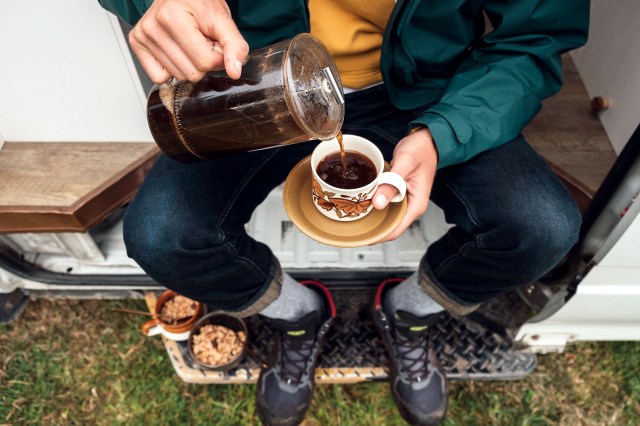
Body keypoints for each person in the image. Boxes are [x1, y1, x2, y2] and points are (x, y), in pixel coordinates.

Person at [98, 0, 589, 424]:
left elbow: (535, 32)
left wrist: (446, 132)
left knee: (542, 227)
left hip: (423, 88)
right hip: (260, 78)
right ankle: (299, 315)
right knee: (162, 234)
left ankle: (408, 312)